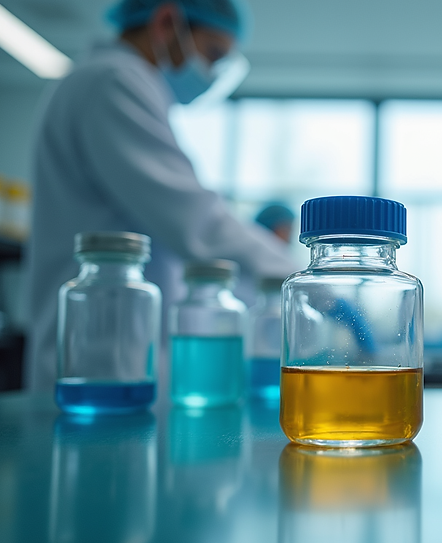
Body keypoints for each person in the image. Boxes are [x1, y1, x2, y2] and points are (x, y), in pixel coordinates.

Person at [25, 0, 296, 391]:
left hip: (111, 358)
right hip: (98, 363)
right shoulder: (113, 82)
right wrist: (306, 281)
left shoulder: (117, 82)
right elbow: (196, 222)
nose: (210, 69)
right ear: (167, 22)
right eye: (213, 52)